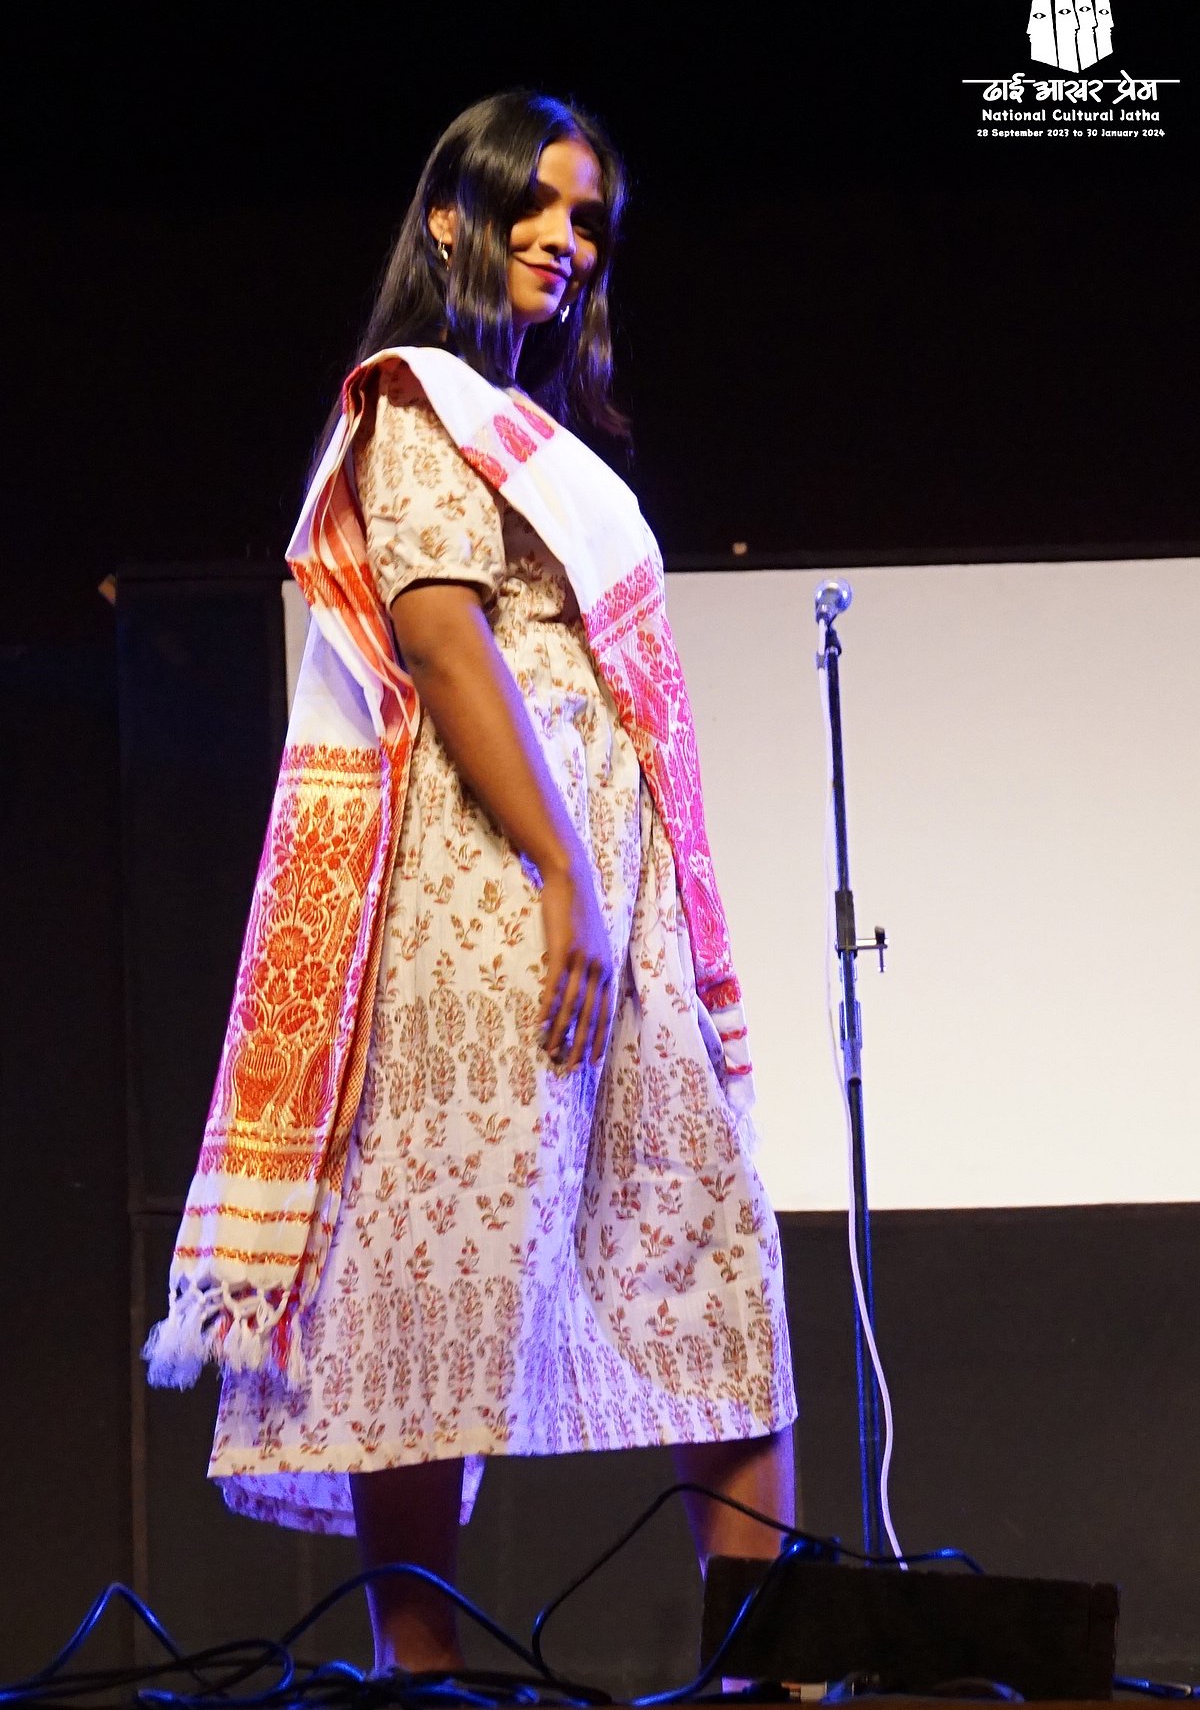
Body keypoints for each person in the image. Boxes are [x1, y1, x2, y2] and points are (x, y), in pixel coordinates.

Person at [145, 89, 797, 1675]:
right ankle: (414, 1674)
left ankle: (769, 1664)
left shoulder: (548, 446)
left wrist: (605, 888)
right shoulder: (413, 409)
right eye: (545, 208)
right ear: (452, 214)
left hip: (601, 902)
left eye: (593, 224)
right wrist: (562, 876)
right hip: (482, 895)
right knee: (426, 1266)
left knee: (715, 1253)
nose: (571, 244)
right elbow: (443, 645)